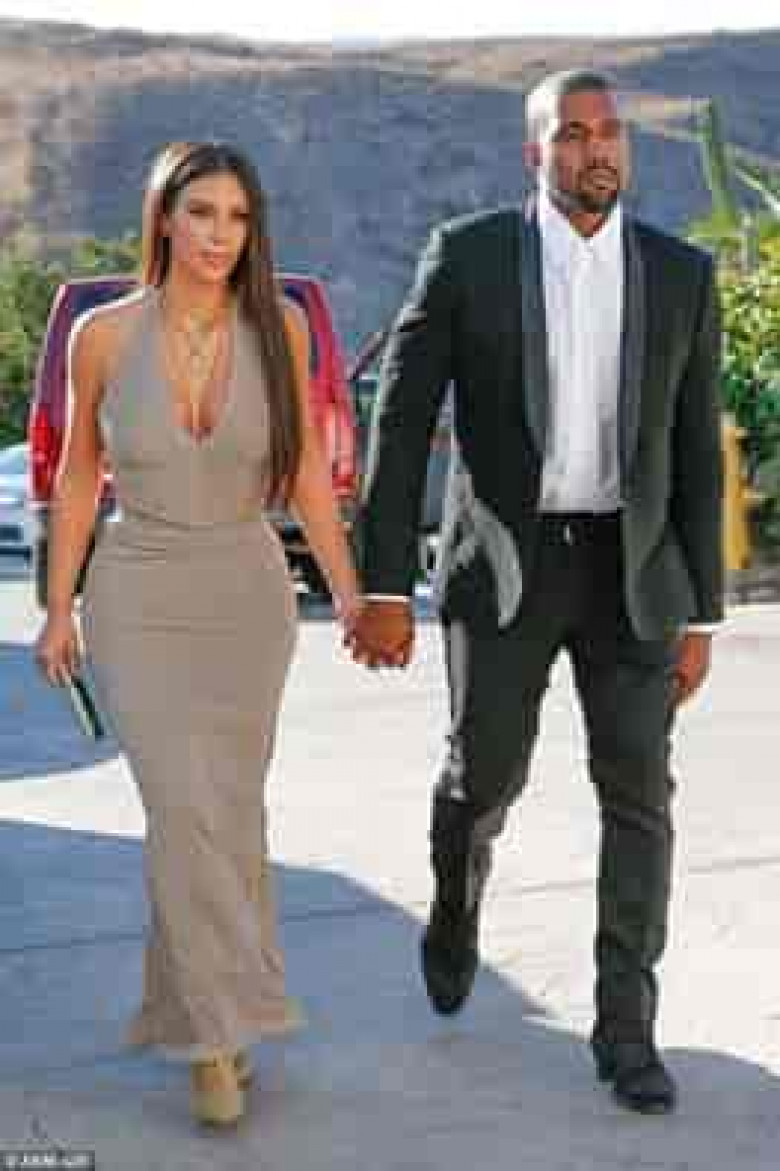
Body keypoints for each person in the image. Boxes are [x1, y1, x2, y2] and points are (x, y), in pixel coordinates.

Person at [349, 70, 724, 1115]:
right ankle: (456, 899)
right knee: (485, 776)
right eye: (571, 134)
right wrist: (385, 583)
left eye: (609, 132)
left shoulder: (680, 273)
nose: (594, 149)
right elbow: (400, 415)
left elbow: (697, 449)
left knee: (639, 795)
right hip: (506, 566)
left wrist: (702, 610)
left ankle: (626, 1028)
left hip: (632, 573)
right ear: (535, 152)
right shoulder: (467, 257)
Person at [35, 141, 362, 1128]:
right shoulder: (100, 333)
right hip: (135, 591)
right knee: (181, 809)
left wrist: (351, 594)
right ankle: (217, 1038)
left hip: (247, 593)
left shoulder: (281, 329)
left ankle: (210, 1010)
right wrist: (57, 607)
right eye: (203, 212)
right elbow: (78, 475)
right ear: (164, 218)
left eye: (239, 217)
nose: (222, 235)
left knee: (229, 813)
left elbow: (304, 474)